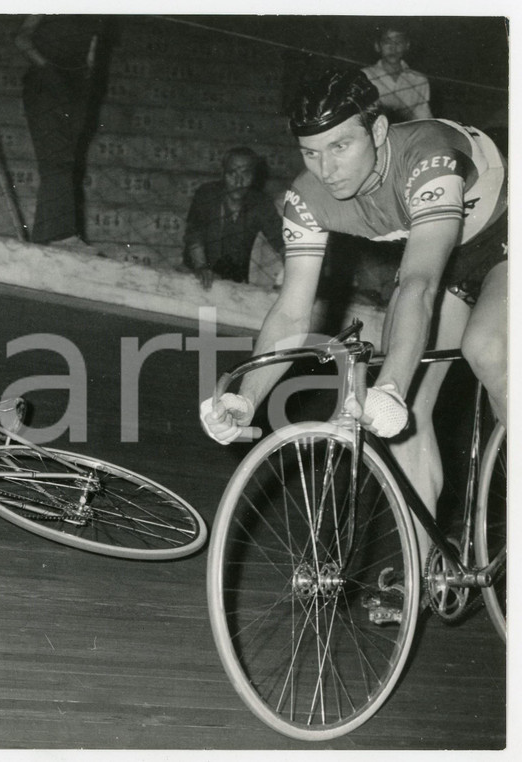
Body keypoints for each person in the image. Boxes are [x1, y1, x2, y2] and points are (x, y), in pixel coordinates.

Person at [200, 68, 507, 576]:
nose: (327, 169)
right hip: (443, 253)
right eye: (311, 153)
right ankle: (430, 572)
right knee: (406, 414)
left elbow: (419, 285)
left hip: (504, 229)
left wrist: (387, 385)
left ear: (380, 131)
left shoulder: (427, 156)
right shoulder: (307, 197)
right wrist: (244, 397)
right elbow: (294, 310)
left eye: (341, 147)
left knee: (487, 349)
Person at [16, 15, 105, 249]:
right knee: (56, 159)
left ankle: (46, 238)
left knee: (63, 162)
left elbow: (93, 49)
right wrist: (46, 67)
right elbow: (22, 39)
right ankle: (60, 234)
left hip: (78, 85)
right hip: (47, 79)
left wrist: (86, 78)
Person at [181, 146, 284, 290]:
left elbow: (280, 239)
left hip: (235, 281)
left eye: (245, 174)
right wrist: (201, 267)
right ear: (223, 174)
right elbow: (194, 234)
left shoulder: (261, 203)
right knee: (203, 310)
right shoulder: (207, 194)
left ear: (254, 176)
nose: (238, 181)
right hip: (196, 274)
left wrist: (291, 271)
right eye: (232, 173)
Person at [361, 23, 433, 123]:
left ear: (407, 45)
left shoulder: (419, 80)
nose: (393, 48)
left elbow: (423, 119)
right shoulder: (365, 76)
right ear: (377, 46)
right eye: (387, 42)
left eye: (399, 42)